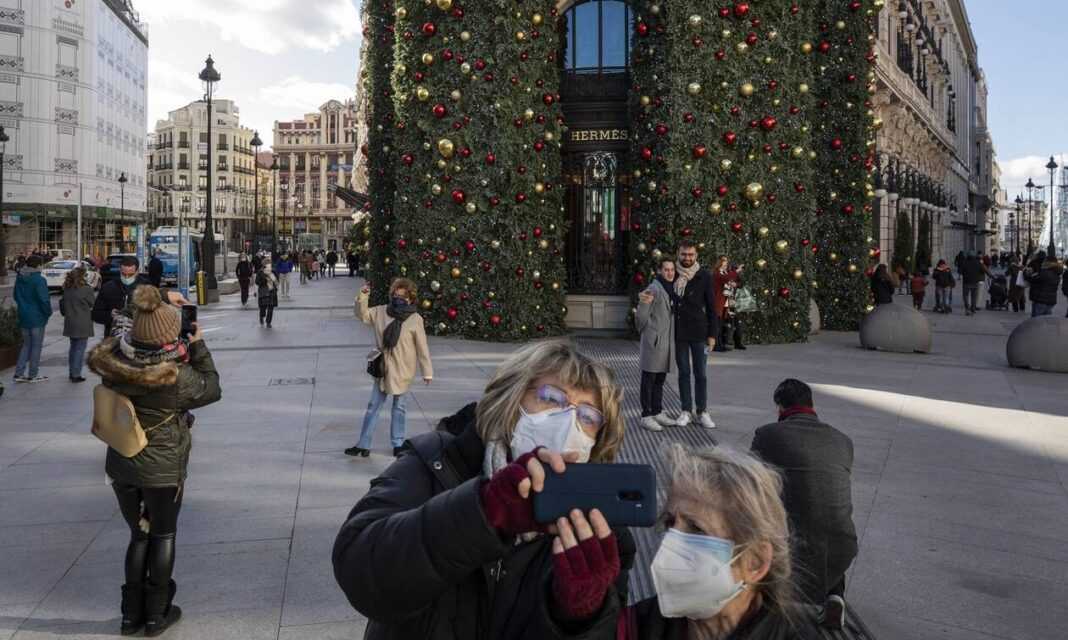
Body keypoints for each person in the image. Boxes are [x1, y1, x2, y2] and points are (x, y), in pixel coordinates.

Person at [333, 340, 633, 639]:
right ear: (512, 399)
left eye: (588, 417)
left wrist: (580, 617)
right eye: (551, 398)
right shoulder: (436, 463)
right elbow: (360, 574)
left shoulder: (600, 529)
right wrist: (484, 512)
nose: (567, 422)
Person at [87, 285, 221, 637]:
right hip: (162, 467)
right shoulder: (175, 376)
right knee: (162, 533)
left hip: (123, 461)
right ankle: (156, 615)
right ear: (169, 335)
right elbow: (212, 388)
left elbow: (124, 326)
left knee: (138, 535)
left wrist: (155, 303)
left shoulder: (114, 363)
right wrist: (198, 346)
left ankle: (130, 616)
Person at [622, 444, 821, 640]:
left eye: (696, 529)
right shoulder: (636, 625)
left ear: (755, 562)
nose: (669, 544)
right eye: (669, 523)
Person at [750, 379, 857, 630]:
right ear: (811, 404)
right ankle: (835, 596)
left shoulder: (767, 434)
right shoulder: (843, 440)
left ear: (780, 407)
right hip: (843, 547)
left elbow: (749, 481)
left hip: (793, 545)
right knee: (827, 515)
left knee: (760, 517)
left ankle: (764, 598)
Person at [345, 278, 433, 457]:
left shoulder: (415, 319)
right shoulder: (380, 311)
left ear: (410, 298)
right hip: (383, 368)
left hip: (403, 369)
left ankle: (398, 444)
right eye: (395, 295)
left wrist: (427, 372)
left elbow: (422, 347)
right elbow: (362, 315)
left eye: (403, 296)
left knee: (399, 407)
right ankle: (363, 444)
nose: (398, 299)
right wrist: (363, 296)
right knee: (373, 406)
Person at [672, 241, 719, 430]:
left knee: (701, 374)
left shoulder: (704, 275)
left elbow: (712, 307)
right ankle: (685, 410)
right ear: (678, 254)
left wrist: (712, 335)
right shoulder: (672, 273)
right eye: (684, 254)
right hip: (679, 332)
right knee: (683, 372)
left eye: (691, 254)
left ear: (696, 255)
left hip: (700, 331)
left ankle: (702, 411)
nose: (687, 258)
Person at [636, 258, 678, 432]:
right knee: (649, 379)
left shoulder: (672, 288)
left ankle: (657, 411)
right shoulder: (653, 288)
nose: (670, 273)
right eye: (666, 269)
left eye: (672, 270)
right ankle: (646, 415)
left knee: (660, 379)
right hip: (654, 341)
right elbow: (641, 314)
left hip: (665, 342)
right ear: (660, 271)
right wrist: (647, 332)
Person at [12, 255, 52, 383]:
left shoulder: (20, 278)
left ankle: (18, 373)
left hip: (24, 315)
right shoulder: (39, 280)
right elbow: (44, 300)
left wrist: (23, 306)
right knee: (36, 346)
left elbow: (15, 296)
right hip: (37, 317)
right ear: (38, 265)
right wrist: (48, 312)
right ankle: (33, 374)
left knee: (26, 345)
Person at [93, 257, 150, 337]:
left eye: (130, 275)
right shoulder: (108, 287)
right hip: (113, 337)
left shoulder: (147, 288)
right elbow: (96, 314)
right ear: (120, 270)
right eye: (123, 274)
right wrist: (110, 315)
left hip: (140, 337)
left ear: (137, 271)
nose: (126, 277)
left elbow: (155, 315)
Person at [59, 267, 96, 382]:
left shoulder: (67, 288)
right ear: (82, 276)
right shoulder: (86, 289)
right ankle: (76, 374)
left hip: (70, 322)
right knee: (80, 349)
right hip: (82, 322)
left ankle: (72, 372)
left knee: (73, 348)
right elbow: (92, 303)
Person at [712, 256, 745, 352]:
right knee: (717, 324)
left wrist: (735, 284)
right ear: (719, 262)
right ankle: (716, 345)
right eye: (724, 261)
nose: (726, 263)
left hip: (728, 302)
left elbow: (738, 281)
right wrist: (737, 271)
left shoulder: (727, 272)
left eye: (726, 261)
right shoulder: (716, 273)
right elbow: (726, 278)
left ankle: (722, 343)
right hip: (719, 302)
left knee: (724, 324)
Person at [1023, 253, 1064, 317]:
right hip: (1050, 300)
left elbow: (1032, 280)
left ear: (1048, 262)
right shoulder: (1056, 273)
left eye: (1045, 261)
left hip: (1041, 299)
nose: (1043, 262)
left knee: (1036, 320)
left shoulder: (1045, 272)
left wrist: (1025, 274)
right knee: (1046, 320)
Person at [256, 262, 279, 328]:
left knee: (271, 307)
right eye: (267, 266)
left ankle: (268, 322)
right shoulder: (260, 272)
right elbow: (257, 282)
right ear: (264, 266)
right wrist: (265, 280)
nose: (269, 267)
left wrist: (274, 279)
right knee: (263, 307)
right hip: (264, 292)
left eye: (270, 266)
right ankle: (261, 316)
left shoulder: (273, 272)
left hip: (272, 292)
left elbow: (277, 282)